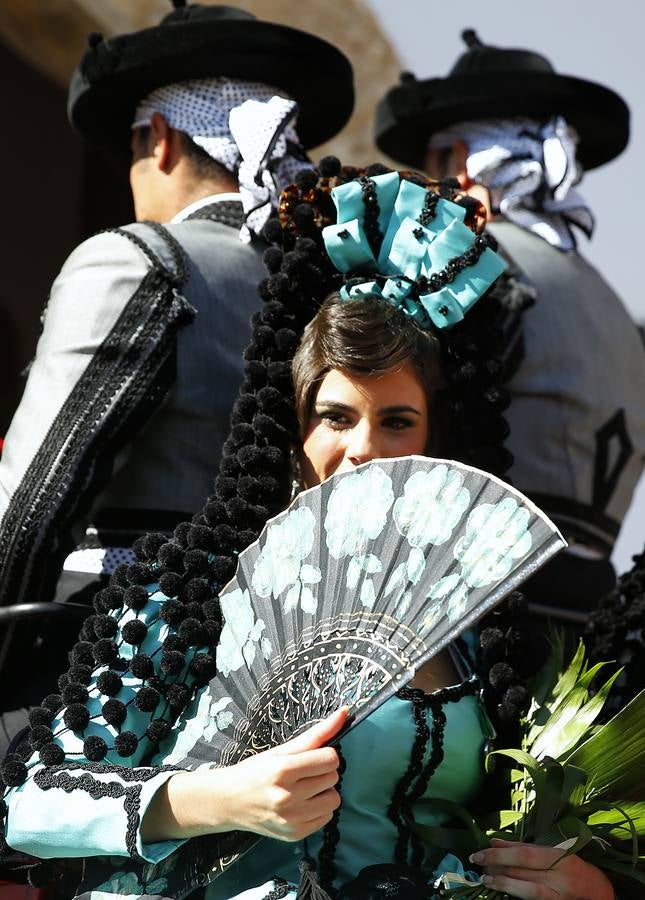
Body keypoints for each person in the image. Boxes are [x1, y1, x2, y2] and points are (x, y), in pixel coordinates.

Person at [0, 165, 617, 900]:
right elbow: (29, 803)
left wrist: (587, 888)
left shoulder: (482, 640)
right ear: (294, 430)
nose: (362, 449)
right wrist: (218, 799)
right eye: (335, 416)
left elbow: (513, 837)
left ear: (435, 439)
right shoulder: (192, 592)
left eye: (395, 420)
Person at [0, 2, 354, 752]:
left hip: (105, 685)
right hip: (280, 690)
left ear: (157, 138)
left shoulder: (141, 259)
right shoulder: (333, 291)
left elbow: (31, 507)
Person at [374, 30, 645, 626]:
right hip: (590, 637)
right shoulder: (616, 309)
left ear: (458, 159)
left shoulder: (471, 263)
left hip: (473, 621)